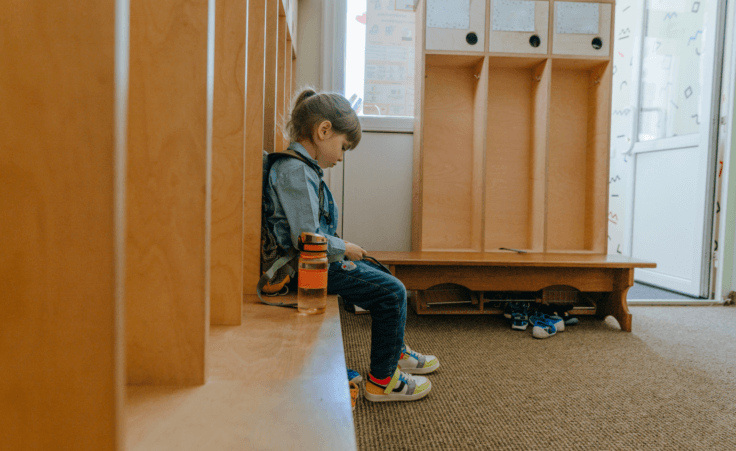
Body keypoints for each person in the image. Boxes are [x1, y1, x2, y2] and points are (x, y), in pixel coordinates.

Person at [264, 88, 440, 402]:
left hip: (309, 264)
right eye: (343, 147)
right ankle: (384, 381)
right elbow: (306, 240)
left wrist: (343, 248)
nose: (341, 157)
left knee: (375, 272)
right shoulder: (295, 171)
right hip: (304, 271)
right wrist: (343, 247)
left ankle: (394, 350)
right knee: (392, 292)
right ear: (323, 131)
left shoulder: (300, 168)